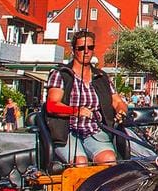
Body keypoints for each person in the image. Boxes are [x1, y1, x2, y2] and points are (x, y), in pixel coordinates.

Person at [45, 31, 128, 166]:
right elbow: (52, 105)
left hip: (94, 131)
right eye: (81, 48)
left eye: (90, 47)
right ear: (73, 50)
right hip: (67, 132)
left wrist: (121, 111)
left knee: (109, 160)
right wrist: (75, 111)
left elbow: (118, 101)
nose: (86, 52)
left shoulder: (101, 77)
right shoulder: (61, 74)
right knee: (80, 163)